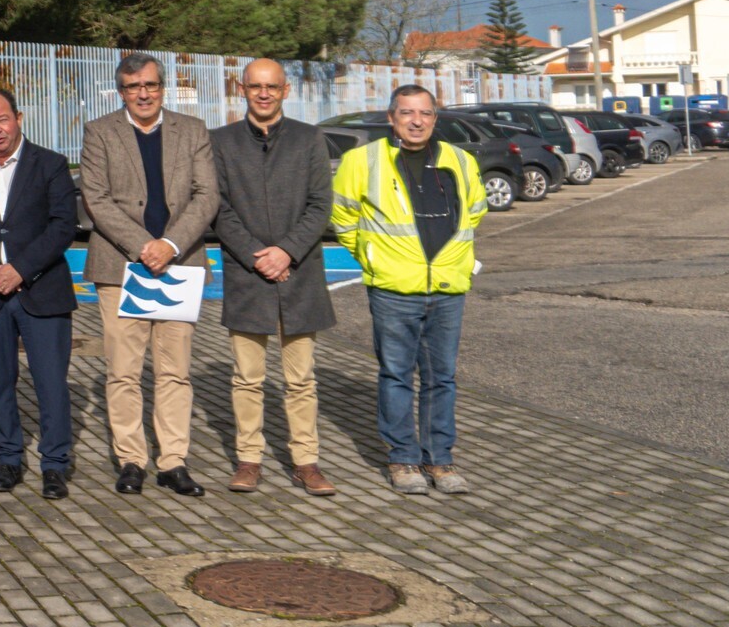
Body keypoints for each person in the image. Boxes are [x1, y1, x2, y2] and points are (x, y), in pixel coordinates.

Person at [333, 84, 488, 497]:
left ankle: (440, 458)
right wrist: (371, 256)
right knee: (397, 375)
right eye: (406, 113)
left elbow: (475, 211)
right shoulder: (360, 161)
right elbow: (343, 216)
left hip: (447, 286)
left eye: (425, 113)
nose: (416, 121)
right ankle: (403, 459)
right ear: (391, 118)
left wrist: (455, 260)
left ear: (435, 119)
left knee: (442, 378)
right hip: (393, 288)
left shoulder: (460, 160)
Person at [79, 51, 221, 498]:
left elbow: (206, 195)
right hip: (123, 267)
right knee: (123, 371)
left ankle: (173, 461)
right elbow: (95, 200)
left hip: (179, 266)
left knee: (174, 372)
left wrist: (170, 245)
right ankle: (131, 460)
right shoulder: (99, 132)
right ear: (121, 91)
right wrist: (145, 246)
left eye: (150, 85)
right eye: (133, 86)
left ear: (163, 87)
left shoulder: (192, 131)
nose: (143, 93)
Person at [208, 59, 338, 497]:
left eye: (272, 87)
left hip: (299, 275)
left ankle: (306, 462)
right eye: (255, 86)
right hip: (248, 276)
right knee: (247, 377)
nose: (264, 94)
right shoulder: (220, 142)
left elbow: (321, 204)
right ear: (240, 89)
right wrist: (254, 255)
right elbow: (218, 208)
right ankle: (249, 460)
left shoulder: (309, 139)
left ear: (285, 91)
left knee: (301, 379)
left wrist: (286, 251)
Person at [0, 88, 81, 499]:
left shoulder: (51, 164)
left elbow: (63, 225)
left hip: (41, 290)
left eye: (2, 119)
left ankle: (55, 464)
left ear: (19, 118)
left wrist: (20, 270)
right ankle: (8, 459)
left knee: (50, 383)